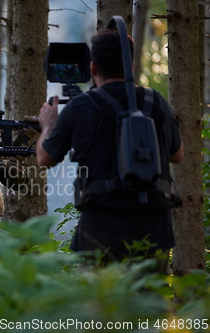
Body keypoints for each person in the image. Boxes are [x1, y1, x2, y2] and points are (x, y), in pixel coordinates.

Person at [36, 29, 184, 269]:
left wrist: (47, 125)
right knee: (149, 301)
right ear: (131, 66)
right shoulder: (154, 100)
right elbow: (178, 154)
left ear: (93, 69)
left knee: (102, 303)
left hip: (101, 226)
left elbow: (44, 159)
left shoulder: (80, 105)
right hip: (155, 225)